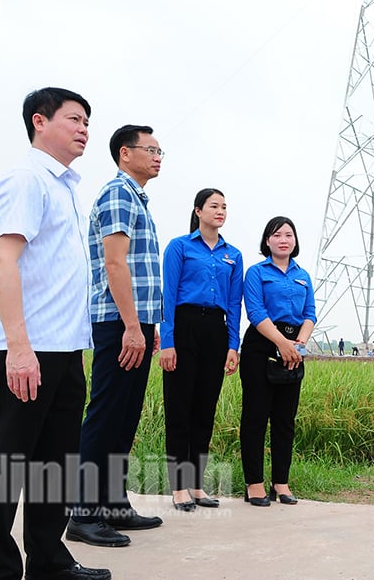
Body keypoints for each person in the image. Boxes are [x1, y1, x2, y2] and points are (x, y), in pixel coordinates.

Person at [0, 88, 110, 580]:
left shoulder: (64, 186)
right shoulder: (27, 179)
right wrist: (18, 348)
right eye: (74, 119)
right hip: (27, 350)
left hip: (64, 349)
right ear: (39, 121)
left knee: (54, 465)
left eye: (88, 122)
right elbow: (2, 259)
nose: (84, 129)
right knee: (5, 467)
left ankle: (49, 561)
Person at [68, 125, 165, 547]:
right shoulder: (118, 194)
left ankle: (113, 504)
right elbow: (115, 264)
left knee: (124, 416)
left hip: (135, 323)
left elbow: (141, 271)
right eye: (152, 149)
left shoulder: (137, 197)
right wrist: (130, 325)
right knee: (106, 414)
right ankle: (84, 514)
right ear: (125, 153)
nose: (159, 156)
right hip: (116, 322)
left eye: (161, 150)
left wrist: (148, 326)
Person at [158, 188, 242, 511]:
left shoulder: (232, 254)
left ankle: (196, 485)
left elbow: (234, 303)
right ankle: (178, 487)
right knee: (179, 409)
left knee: (204, 411)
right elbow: (169, 295)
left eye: (224, 206)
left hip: (215, 331)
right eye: (214, 206)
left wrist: (233, 344)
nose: (220, 211)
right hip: (185, 325)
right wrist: (168, 341)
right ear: (198, 211)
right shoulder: (180, 247)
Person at [239, 216, 316, 507]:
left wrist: (299, 344)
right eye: (276, 235)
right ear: (267, 241)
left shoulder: (302, 275)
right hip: (262, 346)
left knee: (285, 419)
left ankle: (281, 482)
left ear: (294, 241)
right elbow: (256, 312)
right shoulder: (257, 273)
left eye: (288, 234)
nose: (283, 239)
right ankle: (254, 484)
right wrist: (281, 343)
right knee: (256, 416)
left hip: (294, 350)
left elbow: (310, 313)